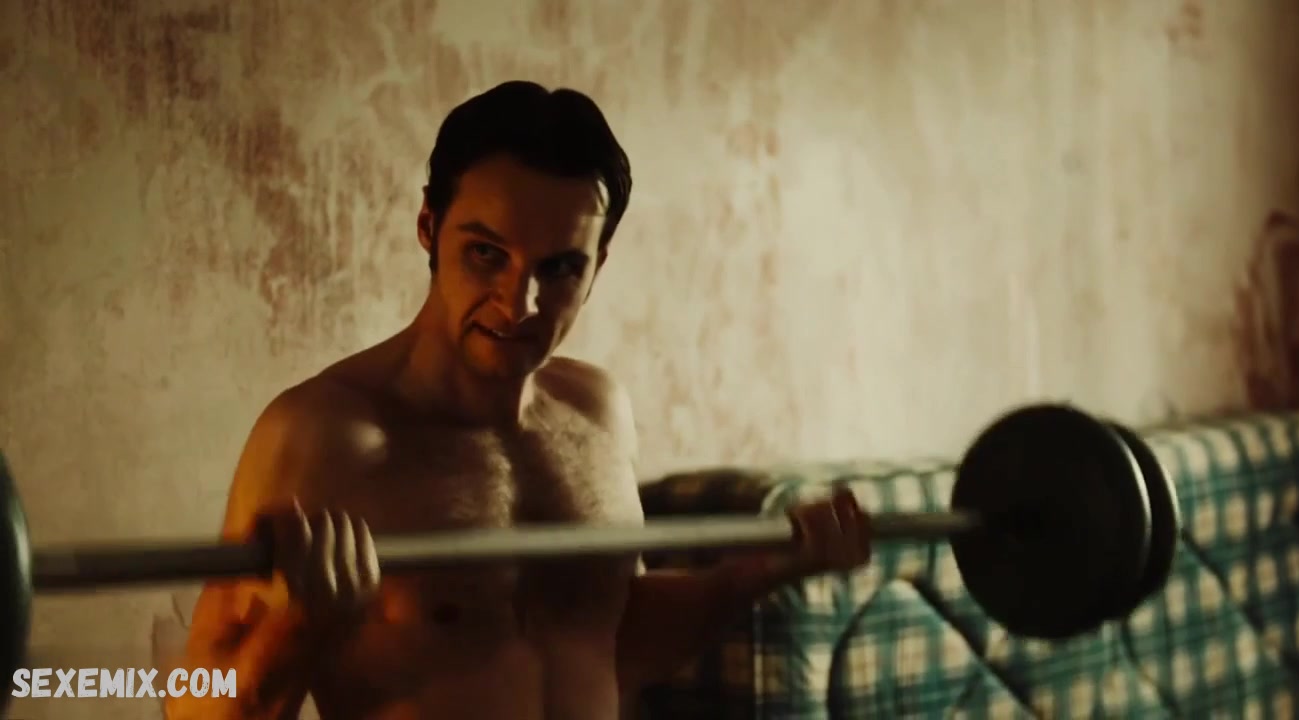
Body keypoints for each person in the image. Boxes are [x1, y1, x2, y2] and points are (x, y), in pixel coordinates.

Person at [165, 80, 873, 720]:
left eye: (559, 268)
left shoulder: (597, 411)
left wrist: (770, 566)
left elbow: (614, 643)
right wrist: (297, 631)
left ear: (598, 265)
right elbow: (194, 707)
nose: (520, 303)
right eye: (487, 254)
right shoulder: (321, 437)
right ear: (428, 227)